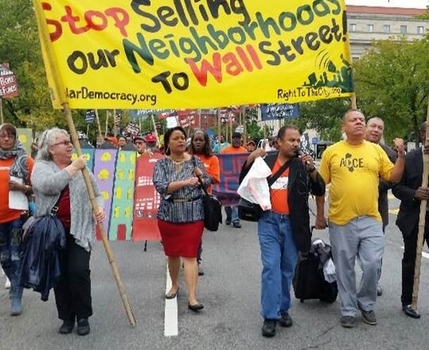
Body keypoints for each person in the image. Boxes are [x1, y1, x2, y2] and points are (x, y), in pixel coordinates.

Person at [315, 109, 405, 328]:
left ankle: (366, 303)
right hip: (340, 220)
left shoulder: (375, 150)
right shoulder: (332, 152)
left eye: (361, 120)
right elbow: (319, 186)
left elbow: (393, 176)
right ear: (343, 127)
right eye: (353, 120)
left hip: (371, 219)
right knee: (344, 267)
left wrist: (401, 156)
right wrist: (319, 215)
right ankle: (348, 308)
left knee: (373, 263)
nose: (359, 123)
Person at [240, 125, 325, 337]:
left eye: (297, 140)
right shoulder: (266, 161)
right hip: (269, 222)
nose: (295, 144)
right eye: (291, 140)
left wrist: (312, 170)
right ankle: (270, 316)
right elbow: (244, 181)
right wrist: (250, 159)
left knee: (287, 269)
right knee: (271, 267)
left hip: (293, 224)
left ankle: (283, 309)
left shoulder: (302, 165)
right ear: (278, 142)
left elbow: (320, 189)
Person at [31, 128, 105, 335]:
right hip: (53, 232)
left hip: (79, 230)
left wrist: (99, 208)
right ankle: (67, 317)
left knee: (79, 271)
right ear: (52, 149)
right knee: (60, 275)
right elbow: (47, 186)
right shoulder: (42, 167)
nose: (70, 145)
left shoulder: (82, 168)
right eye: (64, 142)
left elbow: (97, 194)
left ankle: (83, 316)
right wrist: (73, 168)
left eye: (69, 141)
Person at [153, 126, 211, 311]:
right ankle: (175, 285)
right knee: (172, 253)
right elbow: (162, 186)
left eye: (182, 138)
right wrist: (186, 182)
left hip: (193, 212)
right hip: (168, 214)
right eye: (176, 138)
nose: (180, 141)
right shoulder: (161, 164)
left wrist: (202, 177)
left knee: (190, 255)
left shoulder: (194, 161)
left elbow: (208, 181)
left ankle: (193, 297)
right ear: (168, 143)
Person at [392, 121, 429, 319]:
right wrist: (415, 193)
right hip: (414, 218)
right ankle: (408, 300)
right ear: (423, 135)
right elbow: (396, 188)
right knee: (411, 260)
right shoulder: (410, 159)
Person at [0, 123, 35, 315]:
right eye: (2, 136)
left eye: (10, 136)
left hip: (16, 217)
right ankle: (16, 281)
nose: (6, 139)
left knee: (15, 256)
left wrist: (22, 189)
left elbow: (38, 187)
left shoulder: (25, 160)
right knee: (4, 258)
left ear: (15, 139)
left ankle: (16, 294)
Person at [364, 117, 397, 296]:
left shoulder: (389, 153)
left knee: (375, 253)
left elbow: (395, 177)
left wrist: (376, 184)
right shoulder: (352, 148)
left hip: (377, 210)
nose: (376, 130)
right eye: (373, 126)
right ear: (366, 127)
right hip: (351, 211)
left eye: (380, 128)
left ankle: (372, 282)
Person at [190, 130, 220, 276]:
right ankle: (187, 257)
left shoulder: (213, 159)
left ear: (206, 142)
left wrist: (201, 178)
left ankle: (196, 260)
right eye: (195, 140)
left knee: (197, 232)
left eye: (201, 140)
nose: (198, 142)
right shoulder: (187, 157)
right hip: (186, 198)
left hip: (203, 199)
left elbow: (214, 178)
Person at [221, 132, 248, 228]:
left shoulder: (244, 151)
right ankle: (229, 216)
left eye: (238, 138)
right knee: (227, 201)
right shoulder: (225, 151)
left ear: (240, 139)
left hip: (238, 179)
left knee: (237, 200)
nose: (236, 139)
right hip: (227, 180)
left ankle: (236, 220)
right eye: (234, 138)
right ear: (231, 139)